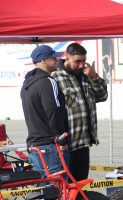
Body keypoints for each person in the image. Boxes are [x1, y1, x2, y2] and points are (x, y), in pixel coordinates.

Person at [52, 43, 108, 181]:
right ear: (67, 58)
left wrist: (94, 77)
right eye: (78, 61)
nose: (82, 65)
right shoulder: (55, 77)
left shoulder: (86, 75)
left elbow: (102, 96)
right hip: (67, 145)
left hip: (83, 143)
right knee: (66, 186)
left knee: (81, 184)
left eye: (84, 61)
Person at [21, 45, 68, 179]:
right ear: (44, 61)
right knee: (56, 189)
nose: (58, 60)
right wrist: (61, 138)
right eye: (54, 57)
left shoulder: (27, 84)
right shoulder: (48, 81)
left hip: (35, 145)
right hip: (49, 145)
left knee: (42, 190)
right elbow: (54, 111)